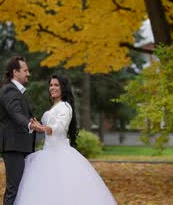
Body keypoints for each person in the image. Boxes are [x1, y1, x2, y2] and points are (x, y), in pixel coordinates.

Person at [14, 74, 117, 205]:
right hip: (47, 153)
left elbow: (59, 127)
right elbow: (49, 127)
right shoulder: (54, 107)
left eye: (56, 85)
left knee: (63, 190)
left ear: (63, 88)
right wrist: (38, 125)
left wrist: (43, 128)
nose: (52, 87)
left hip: (60, 155)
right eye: (51, 85)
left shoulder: (65, 107)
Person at [0, 56, 44, 205]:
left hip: (21, 147)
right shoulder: (9, 90)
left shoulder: (17, 92)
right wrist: (30, 125)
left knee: (23, 189)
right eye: (25, 70)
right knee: (14, 189)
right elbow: (16, 113)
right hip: (13, 147)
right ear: (15, 72)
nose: (28, 73)